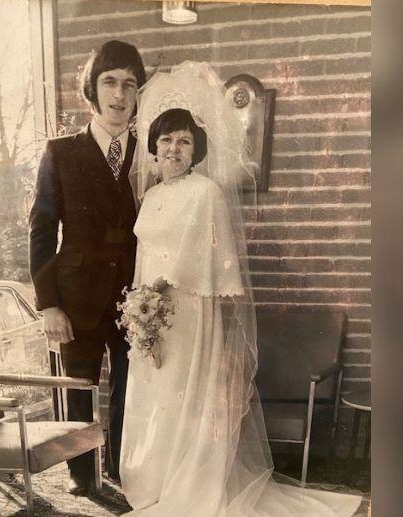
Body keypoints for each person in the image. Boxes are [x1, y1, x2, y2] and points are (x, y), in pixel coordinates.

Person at [119, 62, 362, 516]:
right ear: (153, 146)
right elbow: (145, 261)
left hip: (192, 316)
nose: (174, 149)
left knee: (189, 403)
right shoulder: (151, 197)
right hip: (152, 319)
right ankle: (158, 483)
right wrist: (139, 310)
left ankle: (191, 489)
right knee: (157, 402)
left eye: (185, 141)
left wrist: (209, 330)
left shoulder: (206, 194)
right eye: (167, 140)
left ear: (197, 150)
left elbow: (220, 272)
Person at [29, 40, 146, 495]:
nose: (120, 94)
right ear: (92, 91)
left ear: (139, 93)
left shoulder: (149, 153)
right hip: (75, 298)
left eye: (130, 84)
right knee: (78, 389)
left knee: (128, 390)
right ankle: (83, 478)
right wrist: (48, 305)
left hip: (135, 298)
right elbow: (42, 232)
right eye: (110, 82)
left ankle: (120, 470)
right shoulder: (61, 153)